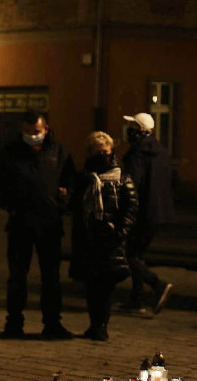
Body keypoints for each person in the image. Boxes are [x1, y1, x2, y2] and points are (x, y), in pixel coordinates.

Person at [0, 108, 76, 339]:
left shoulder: (59, 152)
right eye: (28, 131)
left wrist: (63, 199)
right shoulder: (11, 152)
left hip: (49, 224)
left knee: (51, 278)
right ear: (22, 130)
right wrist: (12, 206)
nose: (32, 135)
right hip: (21, 223)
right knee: (17, 276)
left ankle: (52, 324)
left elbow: (71, 181)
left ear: (46, 129)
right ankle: (14, 324)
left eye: (36, 131)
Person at [70, 131, 138, 342]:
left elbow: (131, 208)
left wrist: (120, 232)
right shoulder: (84, 178)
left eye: (106, 152)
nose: (103, 156)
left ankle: (102, 326)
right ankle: (94, 325)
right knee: (91, 285)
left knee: (106, 286)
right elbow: (75, 206)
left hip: (110, 240)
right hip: (89, 239)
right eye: (98, 152)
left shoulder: (122, 178)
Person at [121, 112, 176, 315]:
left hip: (141, 212)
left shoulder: (138, 153)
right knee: (138, 255)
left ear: (142, 130)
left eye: (133, 127)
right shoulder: (161, 151)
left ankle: (158, 285)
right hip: (159, 213)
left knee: (128, 255)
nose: (129, 130)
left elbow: (132, 184)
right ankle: (136, 299)